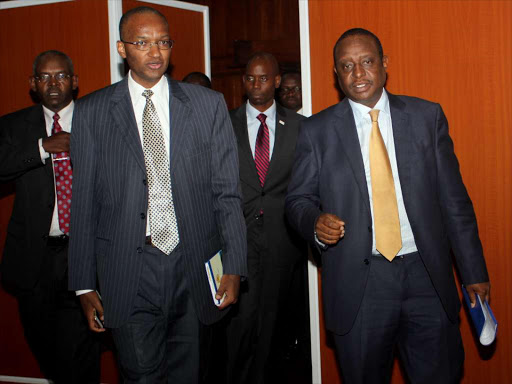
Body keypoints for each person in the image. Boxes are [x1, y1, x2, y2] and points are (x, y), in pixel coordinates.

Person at [285, 28, 491, 384]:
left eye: (366, 62)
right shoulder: (316, 131)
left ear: (384, 65)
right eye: (347, 66)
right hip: (360, 285)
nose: (358, 73)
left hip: (426, 277)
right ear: (336, 74)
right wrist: (315, 222)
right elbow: (297, 201)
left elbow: (454, 202)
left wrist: (473, 272)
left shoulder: (427, 118)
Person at [68, 6, 247, 383]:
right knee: (140, 375)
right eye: (143, 43)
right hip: (128, 269)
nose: (155, 53)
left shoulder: (206, 105)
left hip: (194, 265)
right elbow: (83, 202)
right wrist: (83, 284)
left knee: (190, 375)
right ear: (122, 48)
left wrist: (234, 265)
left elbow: (227, 193)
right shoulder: (93, 112)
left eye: (163, 42)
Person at [0, 50, 100, 383]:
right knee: (44, 346)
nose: (53, 83)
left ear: (74, 81)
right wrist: (43, 147)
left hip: (84, 254)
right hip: (34, 261)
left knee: (80, 351)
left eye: (60, 76)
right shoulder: (14, 125)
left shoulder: (97, 119)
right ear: (32, 84)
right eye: (44, 77)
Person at [225, 52, 307, 384]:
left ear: (276, 81)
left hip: (282, 241)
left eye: (263, 78)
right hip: (237, 239)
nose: (256, 85)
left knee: (273, 325)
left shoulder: (301, 127)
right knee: (239, 326)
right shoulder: (224, 122)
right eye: (249, 78)